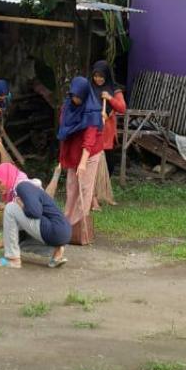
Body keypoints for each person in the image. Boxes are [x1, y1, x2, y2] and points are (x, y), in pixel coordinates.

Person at [0, 163, 70, 269]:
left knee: (10, 208)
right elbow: (20, 233)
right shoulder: (24, 189)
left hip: (55, 229)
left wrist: (22, 206)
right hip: (61, 233)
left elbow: (35, 212)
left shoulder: (22, 186)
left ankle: (12, 259)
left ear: (8, 177)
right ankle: (56, 252)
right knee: (20, 244)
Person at [59, 76, 103, 245]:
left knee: (84, 187)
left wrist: (83, 163)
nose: (76, 99)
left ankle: (79, 225)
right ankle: (67, 224)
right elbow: (63, 131)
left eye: (79, 96)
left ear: (85, 95)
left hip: (89, 153)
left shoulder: (92, 110)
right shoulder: (67, 107)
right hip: (73, 150)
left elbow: (90, 139)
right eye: (73, 96)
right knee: (72, 187)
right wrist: (63, 157)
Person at [89, 61, 126, 207]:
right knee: (93, 165)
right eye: (96, 76)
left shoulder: (114, 90)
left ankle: (102, 193)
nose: (98, 79)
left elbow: (122, 108)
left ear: (107, 76)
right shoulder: (89, 88)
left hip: (107, 135)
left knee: (109, 165)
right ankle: (92, 196)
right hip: (92, 132)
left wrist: (109, 98)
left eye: (101, 76)